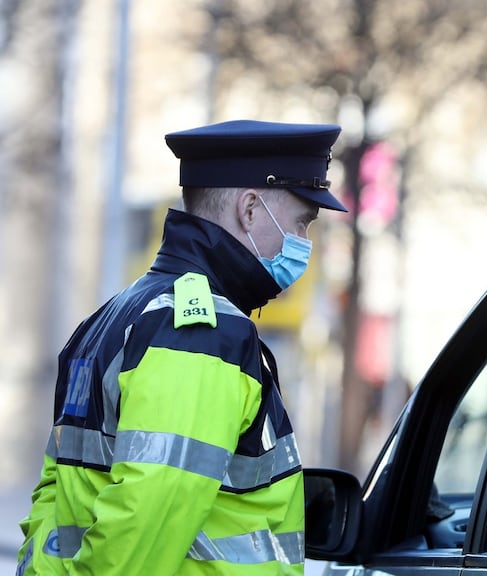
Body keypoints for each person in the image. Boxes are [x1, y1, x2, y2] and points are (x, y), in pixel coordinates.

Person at [16, 119, 347, 575]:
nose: (303, 244)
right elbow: (146, 522)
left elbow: (52, 496)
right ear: (250, 209)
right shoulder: (203, 334)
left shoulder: (115, 315)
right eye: (301, 224)